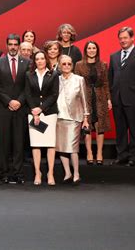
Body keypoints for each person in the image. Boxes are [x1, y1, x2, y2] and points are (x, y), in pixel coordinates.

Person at [0, 34, 31, 184]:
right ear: (6, 45)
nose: (13, 47)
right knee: (4, 143)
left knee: (19, 143)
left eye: (16, 44)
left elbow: (27, 86)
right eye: (11, 44)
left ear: (19, 46)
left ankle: (18, 173)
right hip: (3, 108)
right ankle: (5, 173)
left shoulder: (27, 62)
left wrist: (19, 101)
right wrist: (9, 101)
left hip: (20, 109)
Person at [108, 26, 135, 167]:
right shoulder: (114, 56)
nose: (123, 41)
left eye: (125, 38)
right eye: (121, 38)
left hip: (134, 98)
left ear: (132, 38)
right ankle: (122, 155)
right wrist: (110, 98)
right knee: (121, 129)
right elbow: (110, 78)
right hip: (117, 99)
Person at [25, 51, 59, 186]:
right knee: (36, 144)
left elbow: (54, 94)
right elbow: (27, 93)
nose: (40, 61)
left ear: (46, 60)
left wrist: (41, 109)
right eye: (37, 59)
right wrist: (35, 111)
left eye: (42, 59)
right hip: (33, 113)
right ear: (34, 61)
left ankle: (50, 173)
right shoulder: (29, 75)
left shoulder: (54, 74)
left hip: (49, 113)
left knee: (50, 144)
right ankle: (37, 173)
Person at [75, 41, 112, 165]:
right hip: (85, 98)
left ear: (97, 50)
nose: (91, 50)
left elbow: (106, 83)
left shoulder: (103, 64)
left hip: (100, 98)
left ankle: (99, 153)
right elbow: (77, 84)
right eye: (89, 48)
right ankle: (89, 152)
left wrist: (108, 99)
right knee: (87, 127)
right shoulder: (79, 65)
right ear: (86, 50)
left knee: (99, 126)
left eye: (94, 48)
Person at [56, 55, 89, 184]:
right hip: (59, 117)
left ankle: (76, 173)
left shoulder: (79, 80)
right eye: (64, 64)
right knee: (62, 147)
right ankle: (67, 173)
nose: (67, 66)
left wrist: (85, 118)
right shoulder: (56, 79)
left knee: (73, 148)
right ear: (59, 65)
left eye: (69, 64)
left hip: (74, 118)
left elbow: (84, 100)